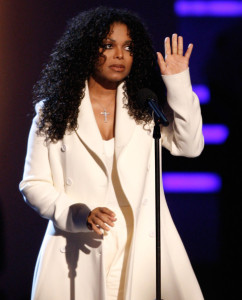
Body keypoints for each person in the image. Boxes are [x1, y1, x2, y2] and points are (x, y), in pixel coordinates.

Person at [19, 6, 204, 300]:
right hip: (78, 247)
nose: (120, 55)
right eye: (108, 45)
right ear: (85, 50)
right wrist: (79, 214)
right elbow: (33, 184)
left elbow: (190, 146)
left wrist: (179, 83)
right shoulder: (52, 112)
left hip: (139, 247)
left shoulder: (146, 108)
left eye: (128, 47)